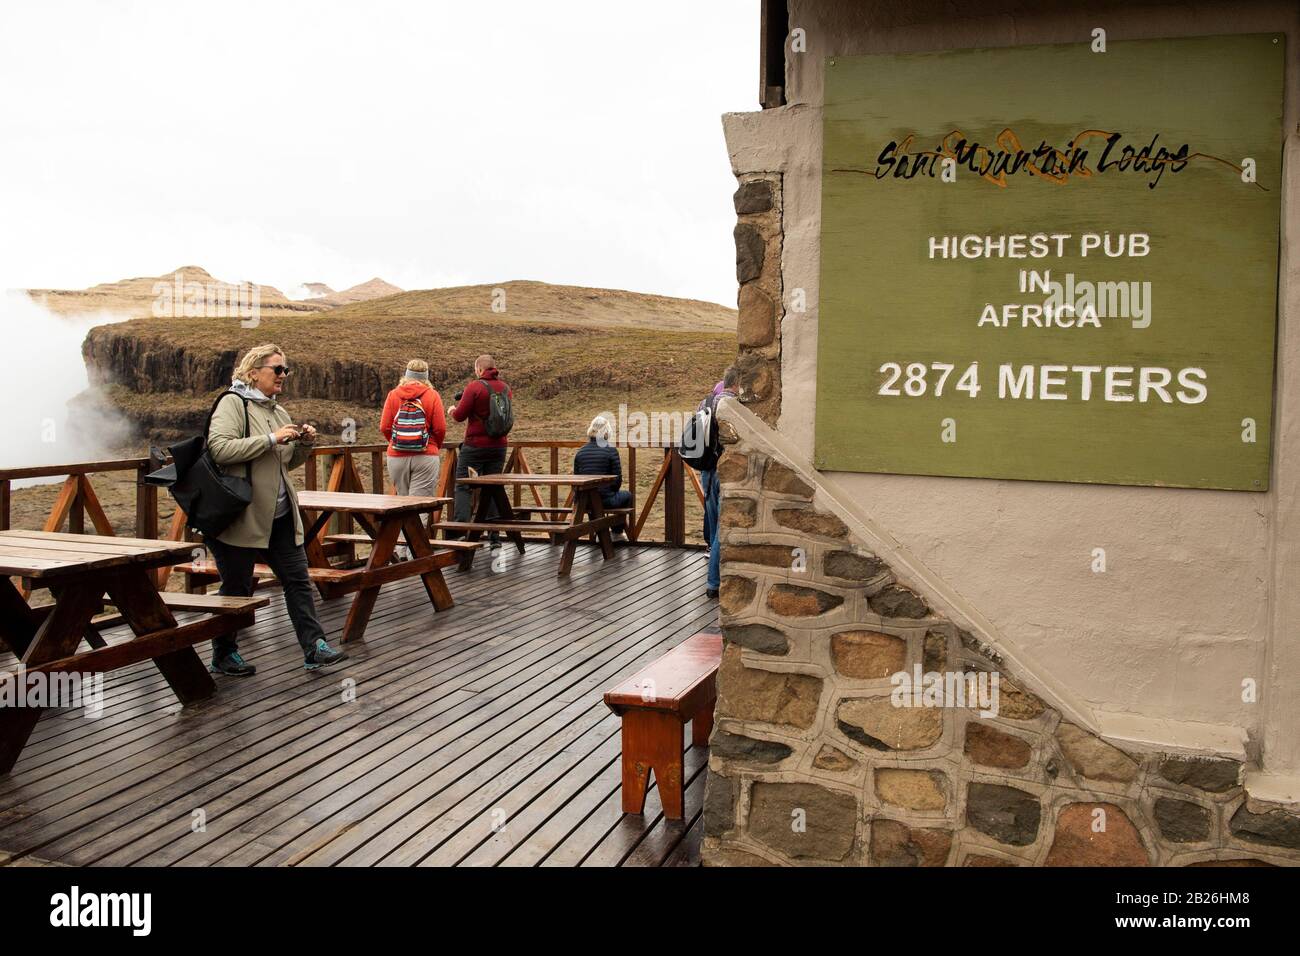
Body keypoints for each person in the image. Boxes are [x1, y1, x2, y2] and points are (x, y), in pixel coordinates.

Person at [204, 343, 348, 675]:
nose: (284, 375)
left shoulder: (277, 410)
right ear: (253, 372)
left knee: (297, 581)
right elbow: (220, 448)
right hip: (240, 517)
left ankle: (314, 647)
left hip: (280, 515)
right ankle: (223, 654)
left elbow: (286, 462)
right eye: (277, 369)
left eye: (286, 370)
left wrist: (303, 444)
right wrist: (271, 439)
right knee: (237, 588)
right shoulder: (233, 403)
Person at [448, 354, 513, 546]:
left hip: (475, 446)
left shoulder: (474, 387)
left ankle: (461, 533)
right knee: (492, 487)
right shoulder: (505, 388)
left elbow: (460, 416)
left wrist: (452, 410)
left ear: (479, 369)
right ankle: (494, 536)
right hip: (499, 446)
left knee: (463, 485)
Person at [699, 367, 738, 599]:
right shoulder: (731, 404)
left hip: (706, 469)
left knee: (714, 524)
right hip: (725, 469)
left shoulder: (706, 402)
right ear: (737, 382)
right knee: (723, 529)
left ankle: (715, 576)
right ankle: (714, 582)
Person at [573, 415, 630, 540]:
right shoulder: (611, 451)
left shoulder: (580, 452)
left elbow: (576, 480)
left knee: (590, 499)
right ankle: (617, 533)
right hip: (605, 500)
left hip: (583, 501)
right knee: (628, 496)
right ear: (607, 432)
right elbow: (617, 482)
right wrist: (610, 491)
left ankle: (599, 531)